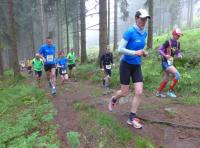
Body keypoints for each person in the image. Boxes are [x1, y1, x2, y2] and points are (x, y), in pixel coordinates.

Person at [108, 9, 150, 129]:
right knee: (124, 92)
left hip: (136, 65)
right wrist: (134, 52)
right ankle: (114, 98)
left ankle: (131, 118)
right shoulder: (129, 32)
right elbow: (120, 49)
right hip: (125, 65)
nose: (144, 21)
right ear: (136, 18)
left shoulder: (144, 33)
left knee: (139, 92)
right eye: (142, 19)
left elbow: (141, 47)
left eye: (145, 19)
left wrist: (144, 52)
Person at [156, 28, 183, 98]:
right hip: (165, 62)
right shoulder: (167, 42)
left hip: (170, 61)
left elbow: (177, 51)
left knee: (166, 78)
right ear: (173, 35)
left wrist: (179, 55)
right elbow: (159, 50)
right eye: (177, 35)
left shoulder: (178, 43)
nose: (179, 37)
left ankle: (158, 92)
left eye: (179, 35)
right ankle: (169, 91)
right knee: (177, 75)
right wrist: (165, 55)